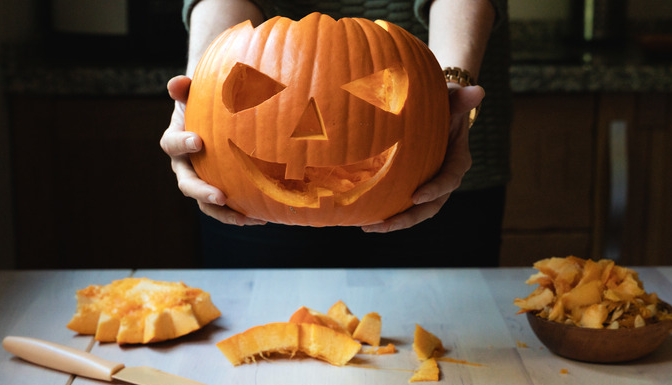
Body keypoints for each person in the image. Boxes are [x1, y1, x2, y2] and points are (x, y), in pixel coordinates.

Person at [160, 0, 511, 268]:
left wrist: (447, 94)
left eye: (370, 91)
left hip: (424, 152)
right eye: (264, 90)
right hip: (250, 186)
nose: (312, 132)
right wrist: (202, 96)